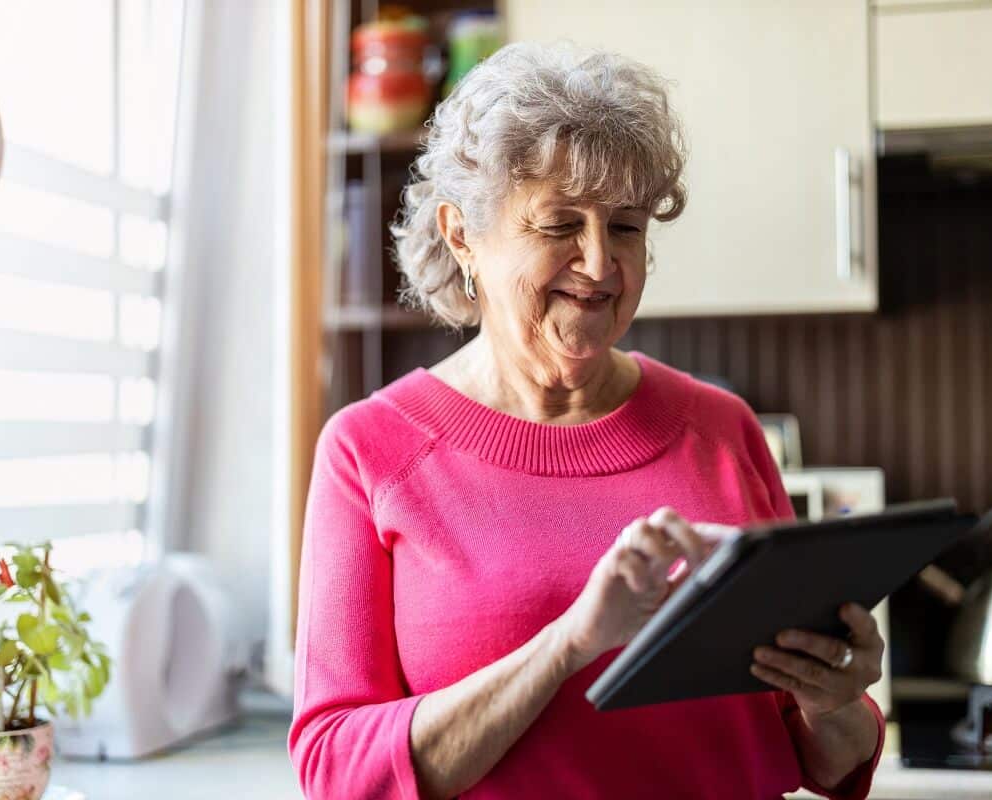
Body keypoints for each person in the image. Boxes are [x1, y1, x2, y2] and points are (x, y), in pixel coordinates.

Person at [288, 42, 885, 800]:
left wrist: (833, 702)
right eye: (560, 224)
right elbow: (338, 772)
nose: (601, 265)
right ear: (462, 233)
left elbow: (828, 762)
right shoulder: (370, 450)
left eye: (627, 227)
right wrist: (570, 643)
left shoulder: (722, 429)